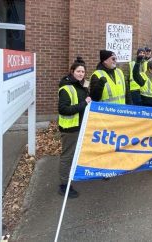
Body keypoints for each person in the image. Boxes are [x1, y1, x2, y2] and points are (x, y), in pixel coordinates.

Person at [58, 57, 91, 198]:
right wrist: (84, 103)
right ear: (72, 71)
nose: (81, 74)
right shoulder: (66, 88)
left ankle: (71, 178)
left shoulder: (81, 84)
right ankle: (64, 186)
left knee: (75, 155)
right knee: (67, 157)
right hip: (70, 128)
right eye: (78, 71)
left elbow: (88, 98)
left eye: (83, 71)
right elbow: (63, 109)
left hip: (80, 125)